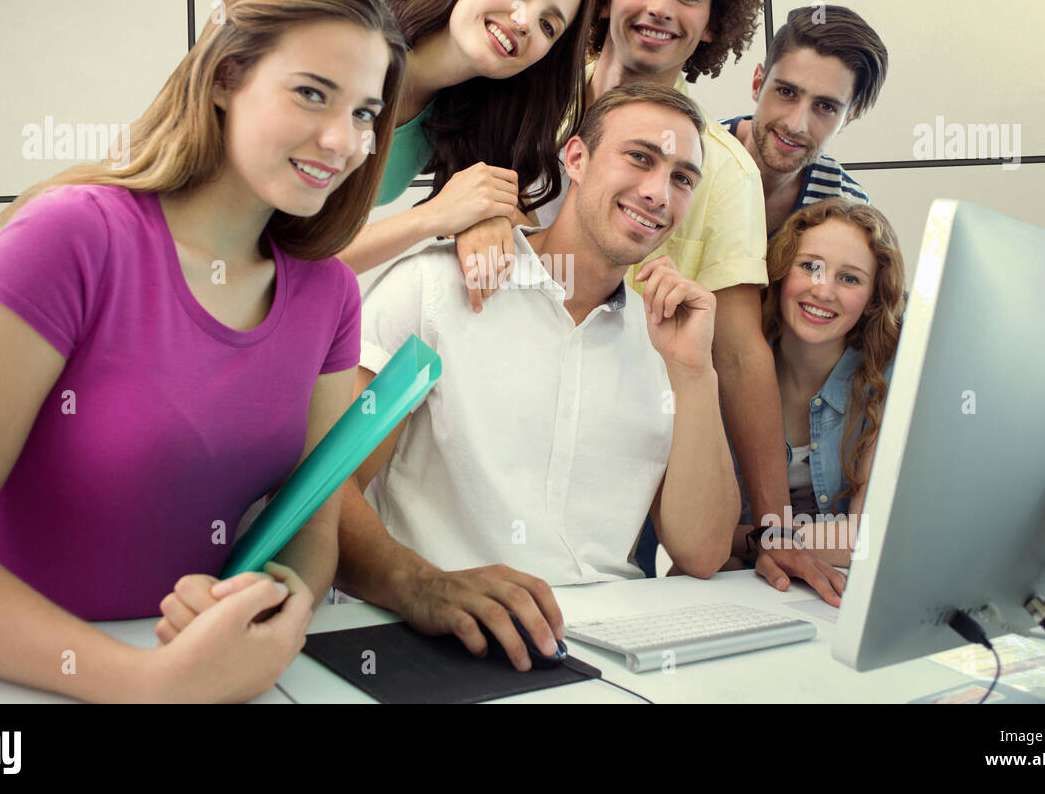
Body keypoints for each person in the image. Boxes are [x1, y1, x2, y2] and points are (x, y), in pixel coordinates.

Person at [0, 0, 405, 703]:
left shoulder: (330, 296)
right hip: (18, 686)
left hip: (204, 679)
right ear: (226, 78)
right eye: (311, 93)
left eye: (363, 114)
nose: (342, 142)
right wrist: (145, 683)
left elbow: (309, 524)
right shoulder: (72, 237)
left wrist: (275, 603)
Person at [166, 83, 741, 672]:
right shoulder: (434, 289)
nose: (657, 192)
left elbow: (701, 552)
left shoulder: (667, 345)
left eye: (682, 178)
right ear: (575, 158)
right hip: (436, 640)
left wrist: (696, 375)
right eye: (640, 158)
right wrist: (424, 585)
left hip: (610, 654)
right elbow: (324, 485)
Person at [546, 0, 843, 602]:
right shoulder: (522, 109)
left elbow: (740, 355)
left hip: (619, 450)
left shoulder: (725, 172)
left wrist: (773, 528)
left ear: (713, 22)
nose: (660, 7)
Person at [338, 0, 594, 307]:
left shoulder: (453, 119)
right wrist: (434, 216)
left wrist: (488, 217)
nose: (524, 21)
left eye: (547, 26)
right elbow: (279, 262)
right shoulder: (349, 43)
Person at [730, 198, 905, 571]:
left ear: (873, 300)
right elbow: (699, 538)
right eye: (810, 267)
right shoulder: (730, 367)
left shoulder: (890, 377)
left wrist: (756, 539)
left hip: (836, 588)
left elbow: (866, 538)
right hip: (740, 584)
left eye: (849, 278)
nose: (824, 292)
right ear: (779, 272)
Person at [720, 5, 889, 235]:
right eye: (787, 92)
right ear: (757, 84)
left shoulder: (848, 206)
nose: (795, 125)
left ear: (847, 118)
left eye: (825, 107)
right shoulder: (691, 157)